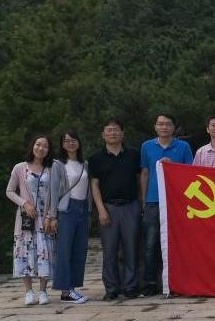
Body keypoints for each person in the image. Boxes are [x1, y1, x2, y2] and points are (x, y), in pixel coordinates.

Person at [140, 113, 193, 296]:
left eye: (168, 124)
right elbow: (145, 173)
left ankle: (176, 282)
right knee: (150, 244)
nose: (164, 127)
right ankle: (150, 283)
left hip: (176, 202)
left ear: (173, 128)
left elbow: (189, 172)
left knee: (177, 244)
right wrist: (143, 199)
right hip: (153, 201)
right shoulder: (147, 146)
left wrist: (173, 166)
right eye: (160, 124)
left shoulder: (183, 146)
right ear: (155, 127)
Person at [88, 118, 140, 300]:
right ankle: (111, 288)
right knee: (109, 251)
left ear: (122, 133)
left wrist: (141, 204)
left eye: (116, 130)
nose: (113, 133)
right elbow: (94, 185)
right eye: (109, 130)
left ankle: (130, 286)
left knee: (131, 249)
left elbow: (140, 179)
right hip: (108, 207)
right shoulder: (96, 158)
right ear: (103, 135)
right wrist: (101, 209)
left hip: (131, 206)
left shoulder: (133, 154)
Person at [7, 134, 55, 306]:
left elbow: (55, 194)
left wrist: (51, 215)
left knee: (45, 253)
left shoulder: (51, 169)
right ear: (32, 146)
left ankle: (43, 291)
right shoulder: (20, 168)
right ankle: (28, 291)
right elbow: (10, 191)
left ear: (49, 150)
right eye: (38, 144)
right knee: (24, 253)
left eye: (45, 146)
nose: (41, 148)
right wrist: (24, 203)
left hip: (45, 218)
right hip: (27, 218)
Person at [48, 129, 90, 303]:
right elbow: (53, 191)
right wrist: (52, 216)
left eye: (73, 140)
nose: (70, 143)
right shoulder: (58, 164)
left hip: (83, 209)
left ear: (78, 142)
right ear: (62, 144)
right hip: (66, 209)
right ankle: (65, 291)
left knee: (79, 250)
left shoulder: (84, 164)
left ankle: (73, 287)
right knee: (64, 250)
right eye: (66, 141)